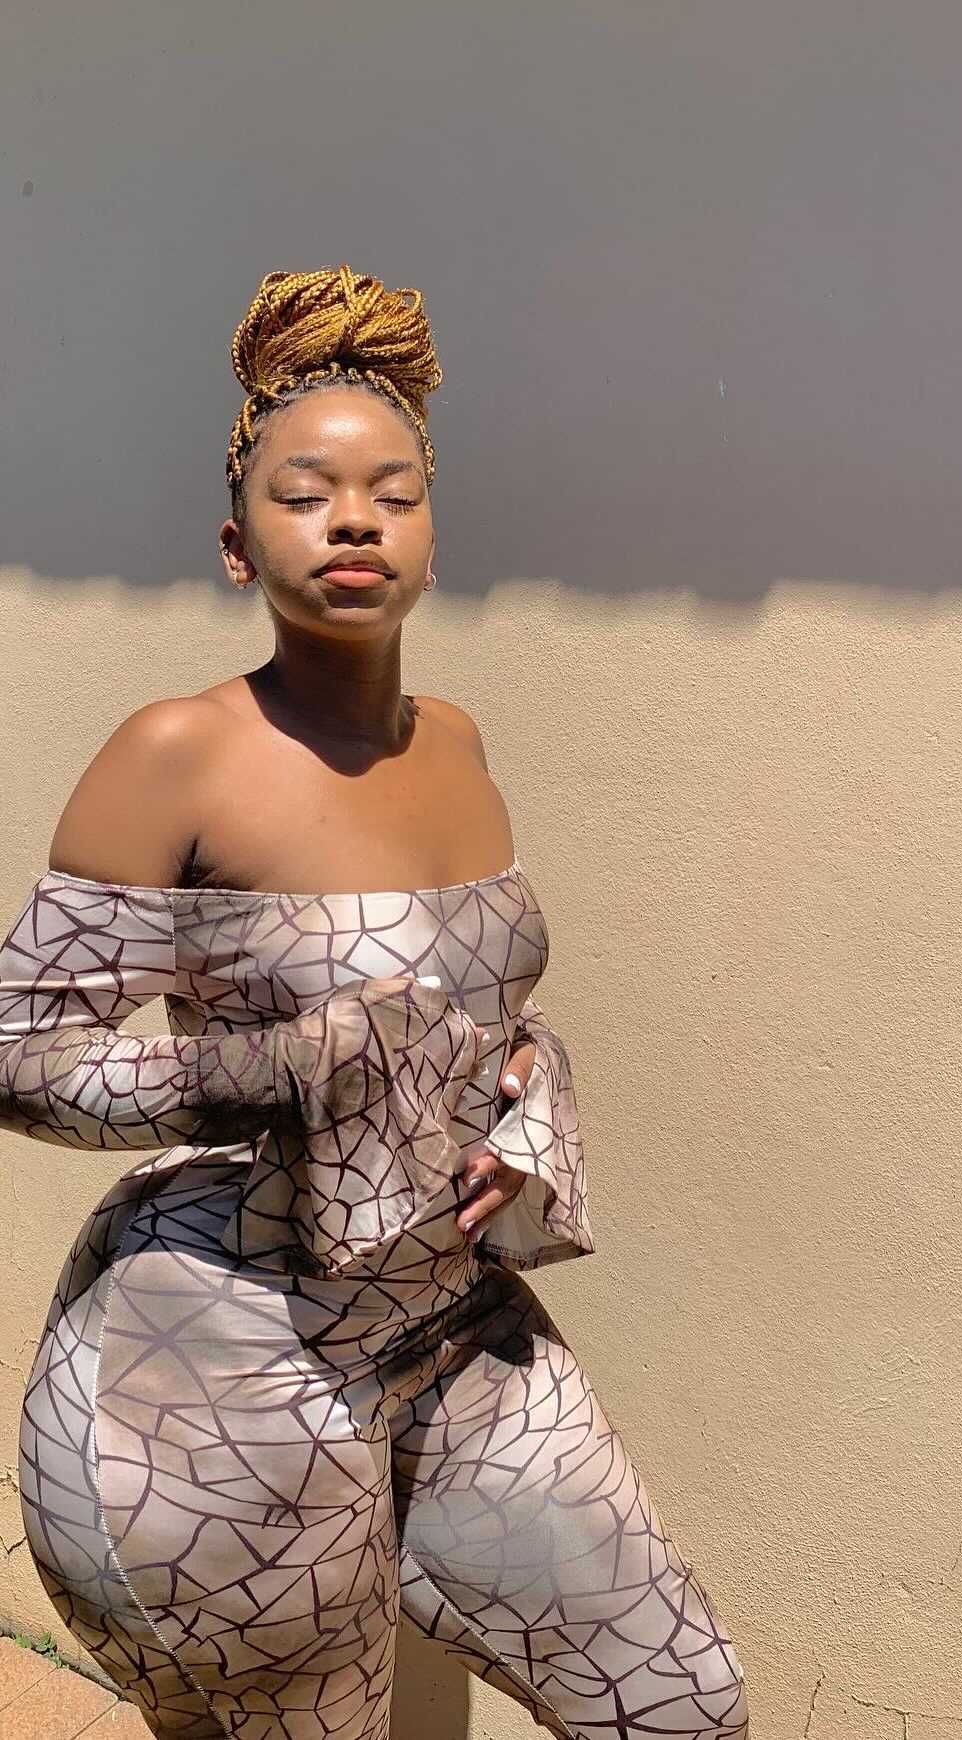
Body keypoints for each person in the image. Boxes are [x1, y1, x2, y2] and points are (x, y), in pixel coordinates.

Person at [0, 265, 749, 1739]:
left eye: (392, 495)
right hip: (221, 1364)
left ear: (429, 534)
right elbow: (16, 1053)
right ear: (237, 545)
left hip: (450, 1320)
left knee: (684, 1704)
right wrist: (274, 1067)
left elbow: (480, 1015)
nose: (353, 521)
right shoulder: (177, 754)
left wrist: (530, 1094)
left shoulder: (457, 743)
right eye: (306, 495)